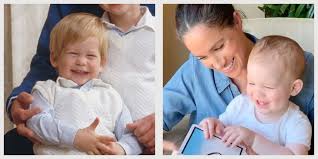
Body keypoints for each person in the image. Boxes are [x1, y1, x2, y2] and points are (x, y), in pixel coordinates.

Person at [163, 4, 314, 154]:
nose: (218, 64)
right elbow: (159, 116)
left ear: (237, 21)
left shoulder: (303, 67)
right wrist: (212, 126)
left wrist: (254, 140)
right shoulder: (236, 102)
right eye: (202, 57)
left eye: (219, 47)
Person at [5, 4, 155, 155]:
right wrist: (75, 138)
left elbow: (129, 135)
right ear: (55, 58)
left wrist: (121, 149)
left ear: (102, 62)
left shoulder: (111, 96)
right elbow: (37, 121)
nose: (81, 62)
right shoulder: (45, 90)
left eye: (90, 56)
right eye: (73, 53)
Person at [199, 35, 312, 155]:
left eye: (268, 87)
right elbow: (222, 132)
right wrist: (213, 126)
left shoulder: (297, 123)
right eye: (251, 83)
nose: (257, 93)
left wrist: (254, 141)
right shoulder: (240, 104)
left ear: (294, 88)